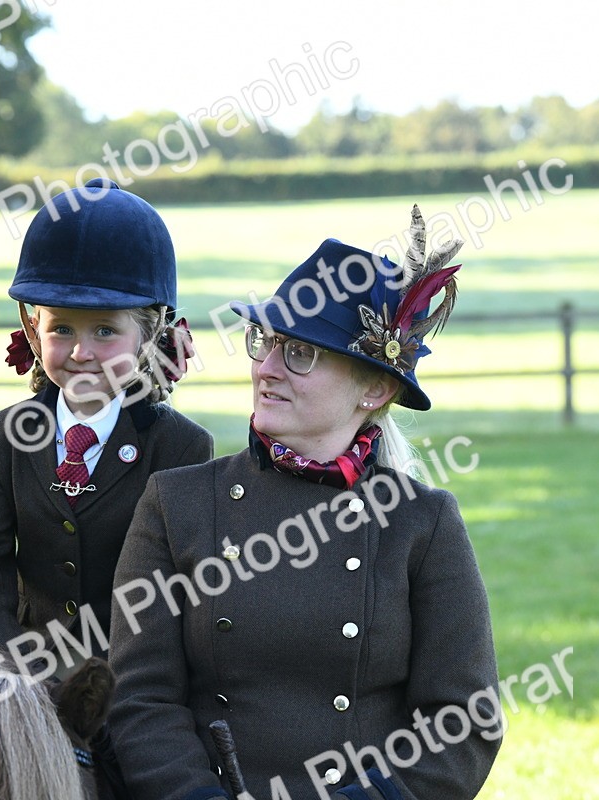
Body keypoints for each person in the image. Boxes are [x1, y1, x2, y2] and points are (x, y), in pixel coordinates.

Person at [107, 206, 500, 800]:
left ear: (374, 387)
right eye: (267, 343)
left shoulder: (423, 523)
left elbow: (463, 721)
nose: (265, 369)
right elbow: (141, 697)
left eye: (301, 353)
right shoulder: (176, 504)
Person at [0, 178, 214, 666]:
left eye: (105, 330)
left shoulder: (180, 447)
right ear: (34, 329)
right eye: (62, 329)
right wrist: (1, 669)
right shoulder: (1, 439)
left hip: (133, 683)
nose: (80, 352)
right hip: (21, 678)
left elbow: (179, 590)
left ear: (149, 333)